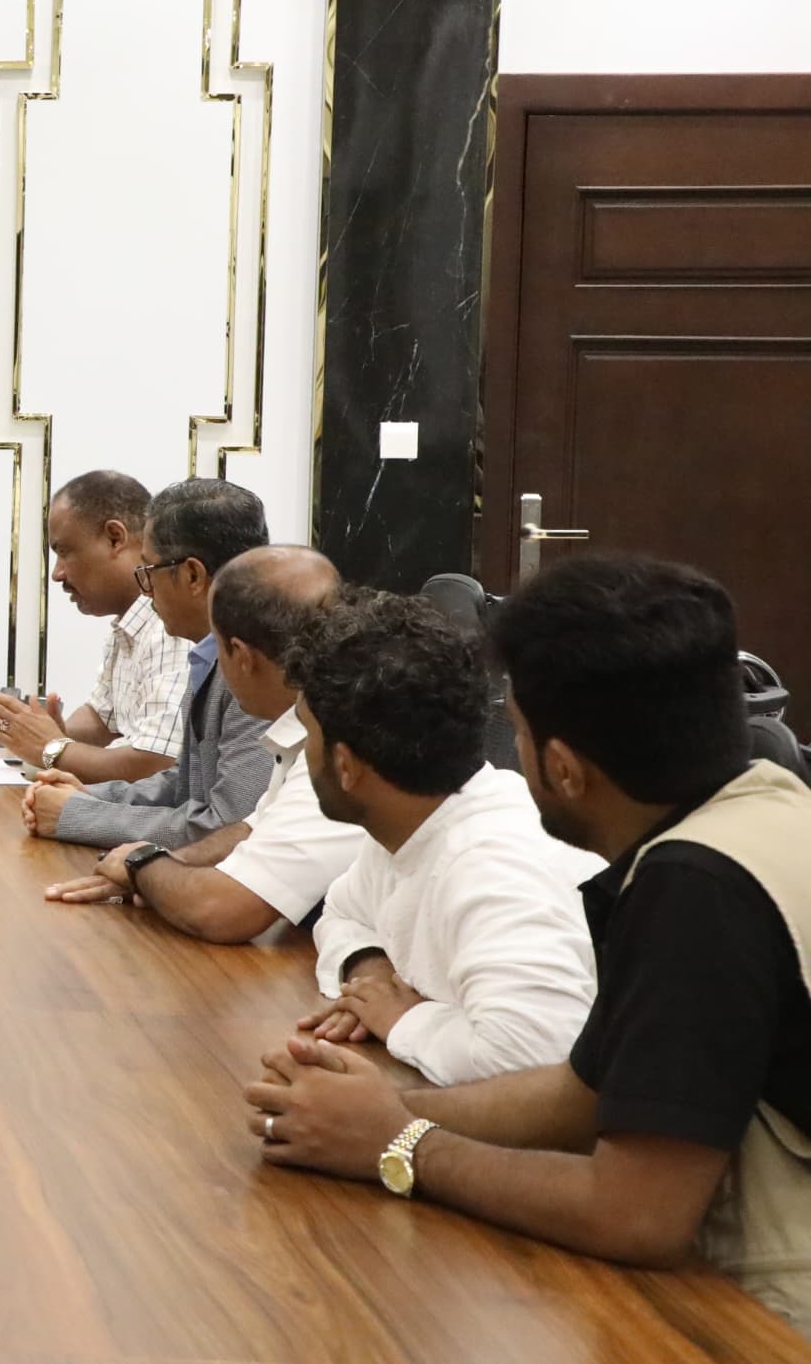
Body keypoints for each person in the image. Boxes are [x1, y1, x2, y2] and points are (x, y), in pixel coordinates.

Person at [244, 556, 811, 1336]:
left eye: (516, 732)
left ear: (564, 767)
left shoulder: (693, 887)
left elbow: (636, 1215)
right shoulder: (770, 809)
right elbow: (586, 1094)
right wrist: (378, 1110)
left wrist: (399, 1142)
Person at [288, 590, 604, 1085]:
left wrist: (403, 1018)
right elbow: (344, 913)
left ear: (346, 766)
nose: (304, 751)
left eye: (308, 732)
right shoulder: (410, 821)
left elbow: (536, 1058)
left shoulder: (490, 868)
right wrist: (371, 976)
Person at [43, 545, 362, 944]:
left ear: (240, 656)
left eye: (217, 648)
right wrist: (158, 870)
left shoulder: (342, 757)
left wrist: (141, 865)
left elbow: (221, 911)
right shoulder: (313, 728)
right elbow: (247, 830)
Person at [22, 478, 272, 849]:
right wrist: (89, 796)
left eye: (148, 571)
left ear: (192, 575)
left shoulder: (260, 668)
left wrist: (75, 814)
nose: (145, 589)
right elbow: (183, 786)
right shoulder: (212, 654)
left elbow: (226, 827)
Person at [0, 471, 185, 785]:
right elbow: (102, 719)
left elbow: (155, 762)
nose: (57, 574)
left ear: (115, 538)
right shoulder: (129, 625)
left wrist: (51, 747)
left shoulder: (171, 628)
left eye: (65, 552)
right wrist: (40, 732)